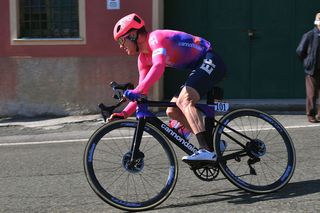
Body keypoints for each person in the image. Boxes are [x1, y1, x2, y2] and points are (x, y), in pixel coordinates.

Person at [109, 13, 226, 162]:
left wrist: (137, 91)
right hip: (198, 66)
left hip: (210, 59)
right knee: (172, 110)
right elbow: (142, 91)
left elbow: (158, 66)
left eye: (121, 40)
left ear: (132, 34)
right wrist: (124, 113)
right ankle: (213, 143)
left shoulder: (155, 38)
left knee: (184, 101)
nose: (120, 45)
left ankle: (207, 151)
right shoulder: (143, 59)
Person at [296, 12, 320, 123]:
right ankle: (311, 115)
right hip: (313, 70)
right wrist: (307, 62)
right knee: (312, 94)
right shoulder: (309, 35)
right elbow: (300, 51)